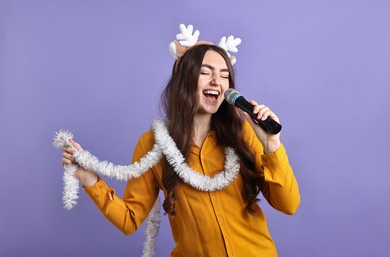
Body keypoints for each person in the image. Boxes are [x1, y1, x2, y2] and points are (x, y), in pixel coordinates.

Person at [62, 43, 300, 256]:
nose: (217, 81)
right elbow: (129, 219)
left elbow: (288, 205)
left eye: (224, 75)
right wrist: (89, 179)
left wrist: (272, 146)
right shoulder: (154, 144)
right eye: (206, 72)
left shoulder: (244, 134)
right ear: (185, 80)